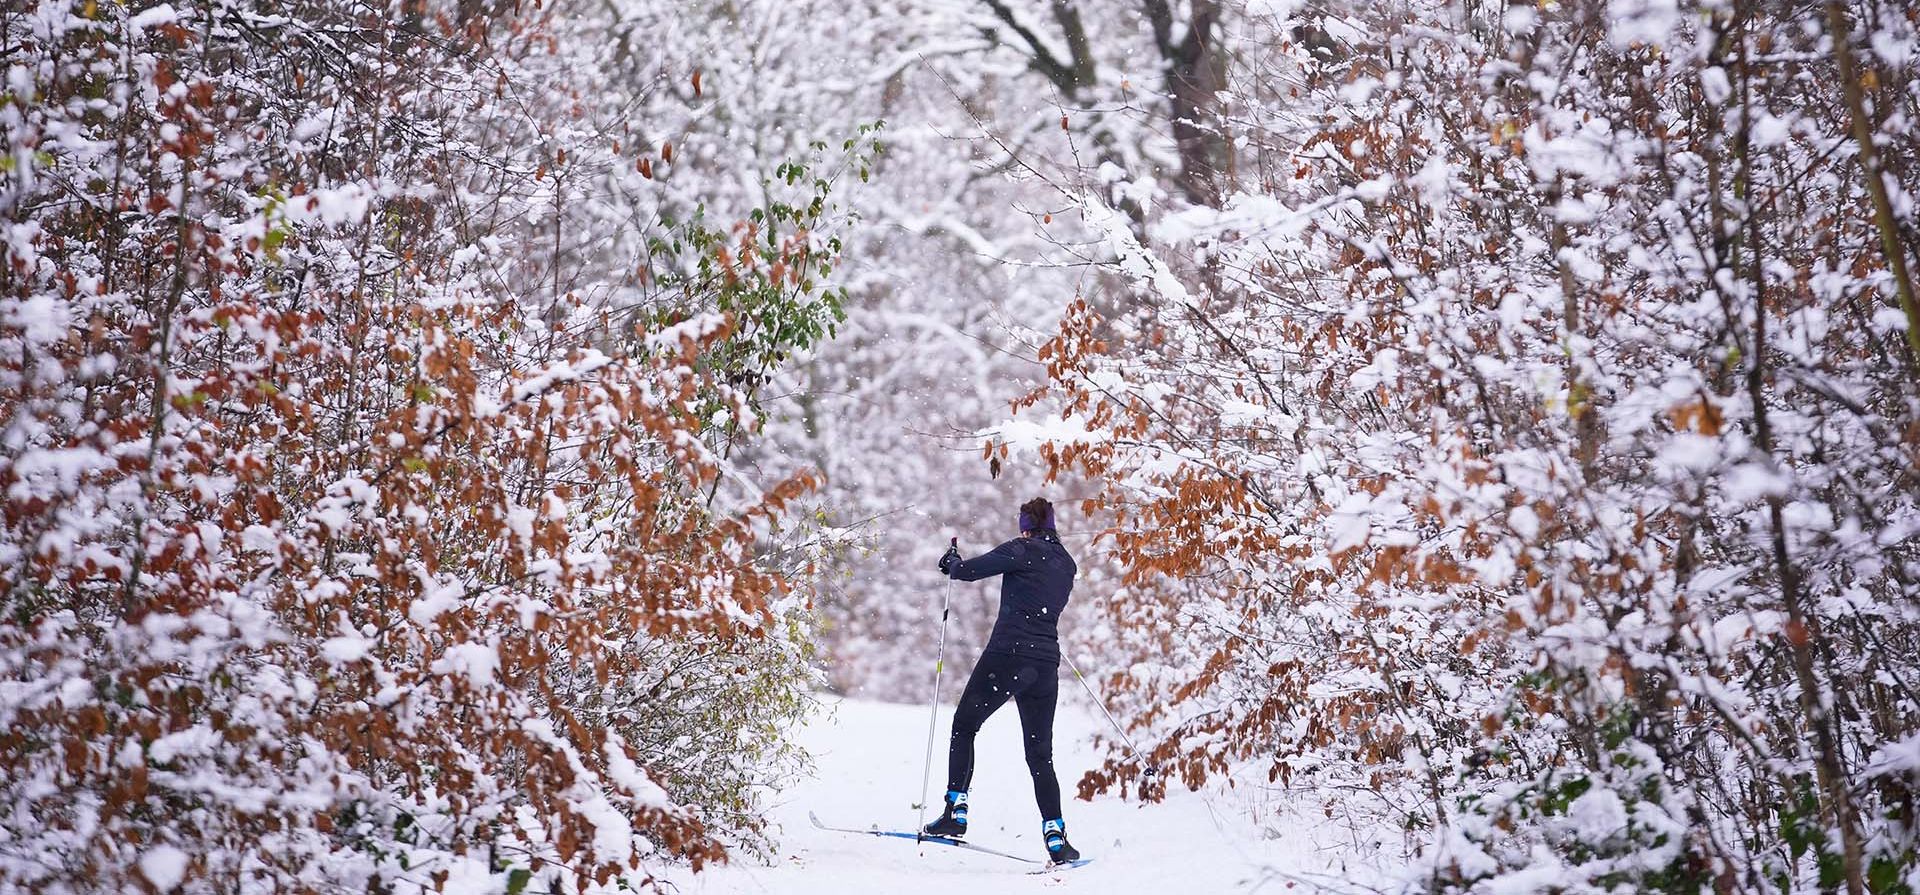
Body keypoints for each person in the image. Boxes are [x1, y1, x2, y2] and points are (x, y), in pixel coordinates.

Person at [922, 496, 1081, 864]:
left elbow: (968, 571)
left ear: (1025, 526)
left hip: (1009, 655)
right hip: (1045, 663)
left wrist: (953, 563)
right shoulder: (1066, 564)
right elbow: (1042, 598)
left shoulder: (1021, 548)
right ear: (1053, 526)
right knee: (1040, 754)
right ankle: (1056, 836)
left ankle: (954, 812)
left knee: (964, 725)